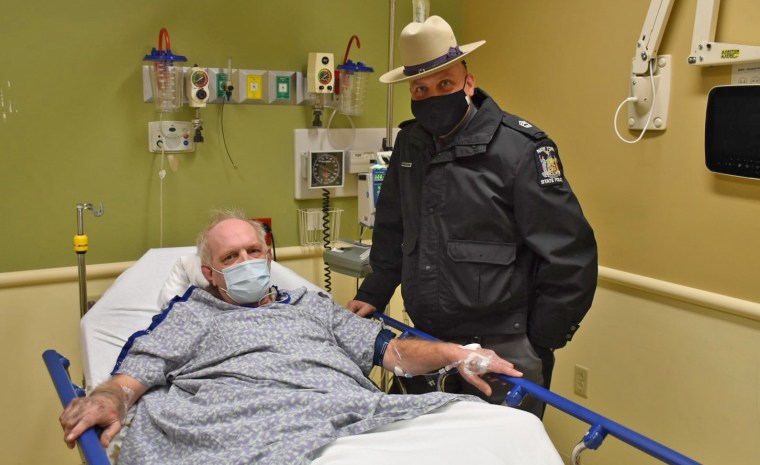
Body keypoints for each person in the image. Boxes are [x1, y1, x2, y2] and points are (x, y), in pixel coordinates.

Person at [59, 209, 563, 465]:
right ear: (210, 274)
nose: (246, 262)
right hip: (249, 417)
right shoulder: (194, 314)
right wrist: (109, 397)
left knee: (514, 432)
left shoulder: (310, 305)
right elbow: (135, 374)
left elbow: (390, 350)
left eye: (253, 250)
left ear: (269, 255)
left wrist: (458, 353)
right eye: (230, 258)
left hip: (346, 409)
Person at [346, 15, 598, 418]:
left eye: (444, 83)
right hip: (427, 337)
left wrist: (540, 339)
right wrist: (373, 292)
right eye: (421, 89)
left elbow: (570, 254)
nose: (433, 96)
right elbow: (394, 228)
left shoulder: (520, 149)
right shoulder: (409, 144)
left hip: (505, 342)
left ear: (468, 81)